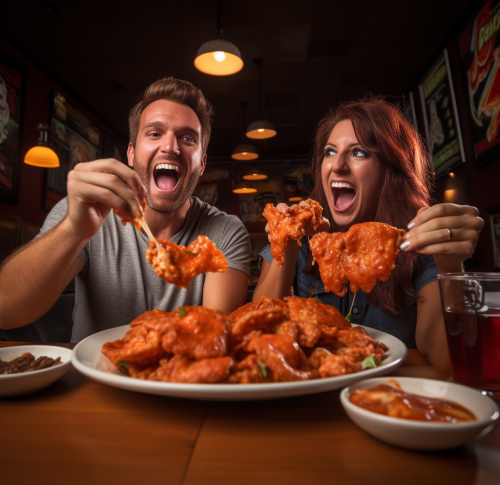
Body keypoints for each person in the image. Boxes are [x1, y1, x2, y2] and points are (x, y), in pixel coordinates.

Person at [0, 77, 252, 342]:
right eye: (154, 133)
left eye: (187, 138)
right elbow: (6, 311)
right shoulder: (83, 211)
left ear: (201, 164)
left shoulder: (225, 231)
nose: (170, 146)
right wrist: (73, 230)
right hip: (91, 381)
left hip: (186, 381)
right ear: (131, 154)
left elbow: (215, 339)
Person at [254, 97, 483, 368]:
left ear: (390, 170)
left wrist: (452, 268)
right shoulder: (302, 235)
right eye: (329, 152)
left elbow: (446, 360)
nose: (337, 165)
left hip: (388, 401)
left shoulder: (418, 242)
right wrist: (287, 247)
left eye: (358, 152)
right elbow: (256, 333)